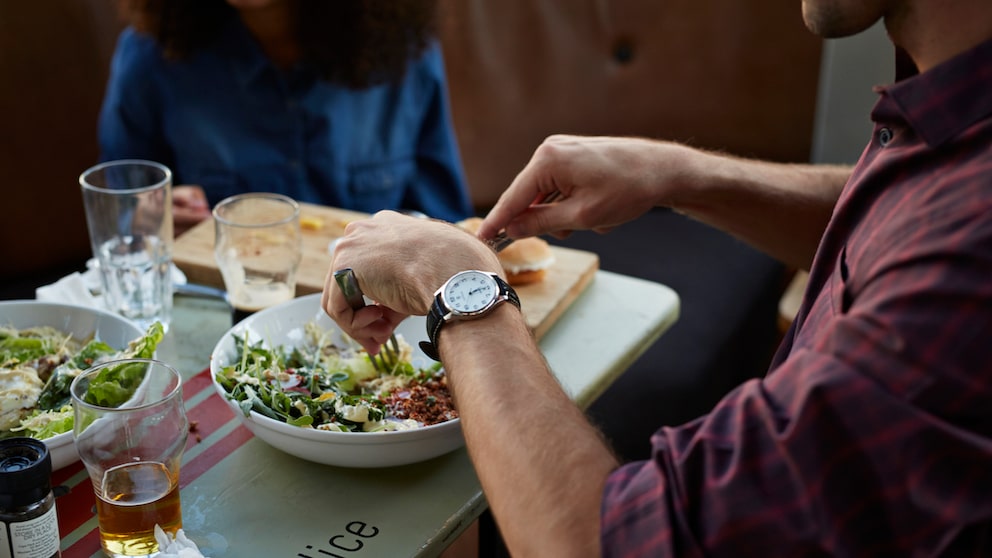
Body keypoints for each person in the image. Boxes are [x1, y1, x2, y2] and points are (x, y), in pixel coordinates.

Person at [322, 0, 992, 555]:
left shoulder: (968, 253)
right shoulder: (957, 128)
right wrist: (682, 175)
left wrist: (460, 286)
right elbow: (897, 223)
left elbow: (597, 543)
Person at [98, 0, 472, 236]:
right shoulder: (151, 58)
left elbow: (446, 224)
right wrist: (149, 221)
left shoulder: (404, 53)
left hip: (380, 320)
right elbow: (120, 212)